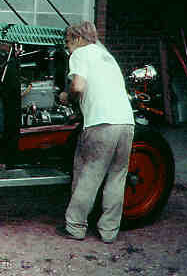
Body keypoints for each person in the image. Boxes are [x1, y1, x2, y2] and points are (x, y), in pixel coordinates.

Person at [56, 21, 135, 244]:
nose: (68, 48)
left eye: (68, 42)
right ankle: (109, 231)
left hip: (101, 124)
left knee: (88, 175)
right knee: (117, 177)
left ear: (79, 40)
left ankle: (75, 227)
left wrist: (66, 96)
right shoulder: (106, 56)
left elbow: (79, 87)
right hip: (126, 123)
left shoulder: (80, 54)